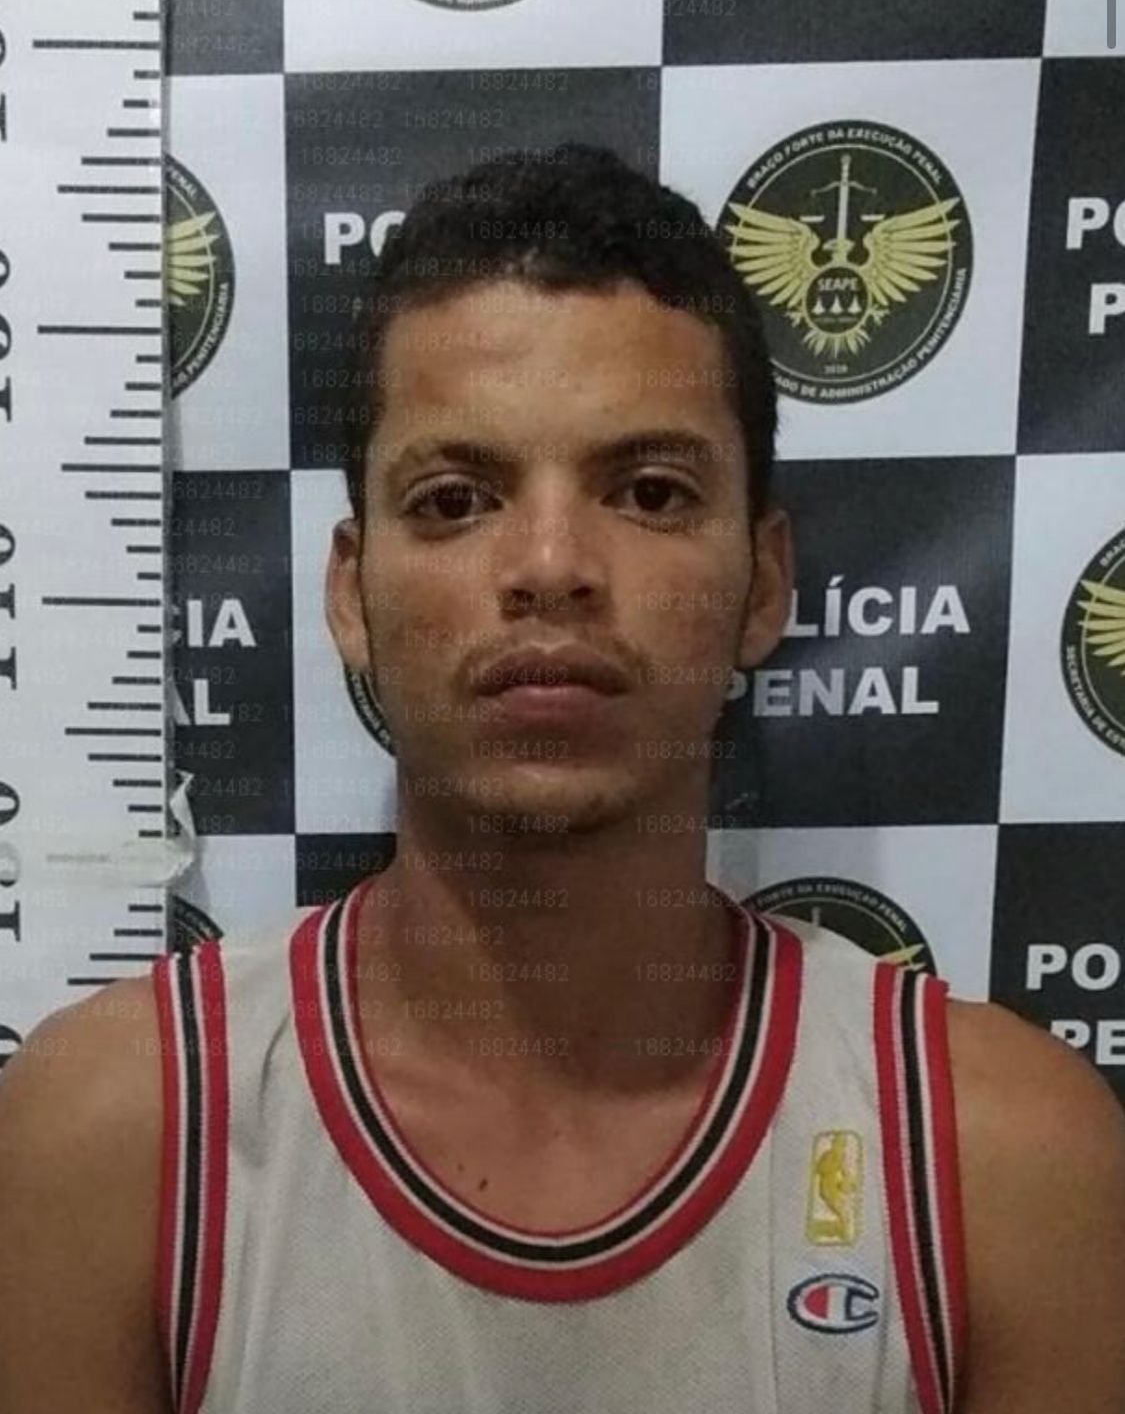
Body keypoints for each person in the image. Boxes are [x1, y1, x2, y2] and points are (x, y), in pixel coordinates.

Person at [1, 142, 1123, 1414]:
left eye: (648, 491)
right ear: (350, 593)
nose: (549, 565)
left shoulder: (1001, 1162)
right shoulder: (117, 1137)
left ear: (763, 584)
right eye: (453, 499)